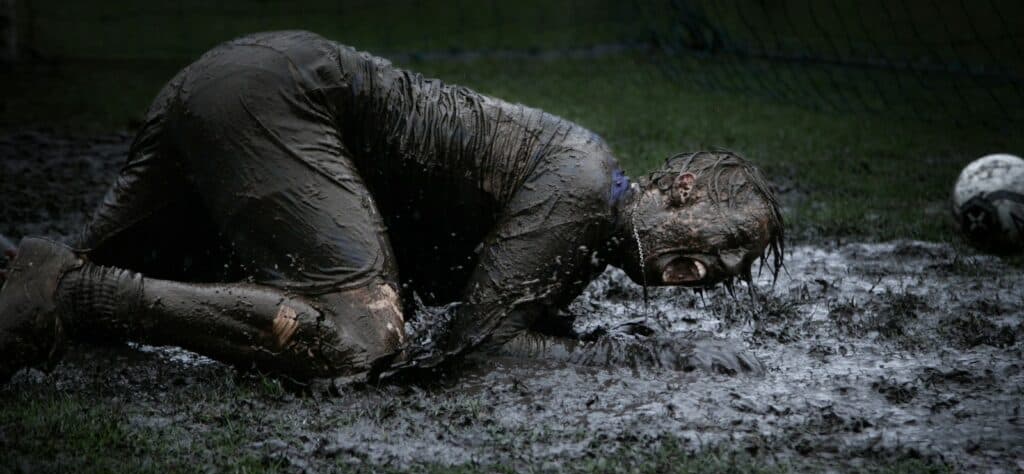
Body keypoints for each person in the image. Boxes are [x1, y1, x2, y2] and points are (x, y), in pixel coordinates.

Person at [0, 31, 783, 383]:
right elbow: (474, 354)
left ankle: (55, 277)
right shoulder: (584, 184)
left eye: (726, 271)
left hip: (243, 84)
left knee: (49, 282)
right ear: (681, 192)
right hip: (277, 100)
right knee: (361, 340)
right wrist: (636, 356)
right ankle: (78, 295)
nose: (706, 272)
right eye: (718, 244)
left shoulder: (585, 211)